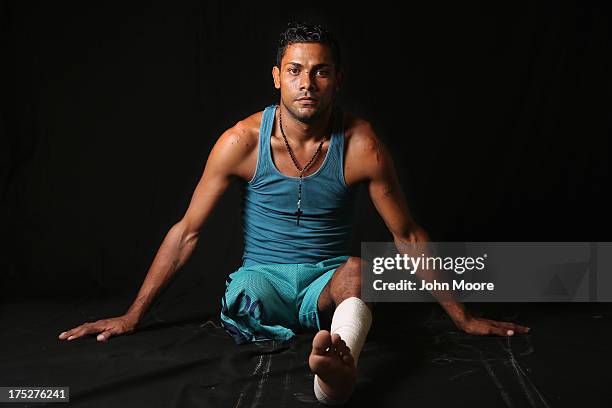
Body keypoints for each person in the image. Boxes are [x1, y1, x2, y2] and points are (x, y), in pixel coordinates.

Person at [58, 22, 530, 405]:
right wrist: (132, 316)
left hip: (328, 285)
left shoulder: (361, 145)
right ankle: (327, 350)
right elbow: (186, 234)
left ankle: (334, 374)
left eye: (321, 72)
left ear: (338, 79)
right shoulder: (240, 142)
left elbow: (407, 236)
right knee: (243, 290)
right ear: (277, 75)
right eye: (296, 71)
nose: (307, 84)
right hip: (264, 282)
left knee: (365, 273)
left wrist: (462, 318)